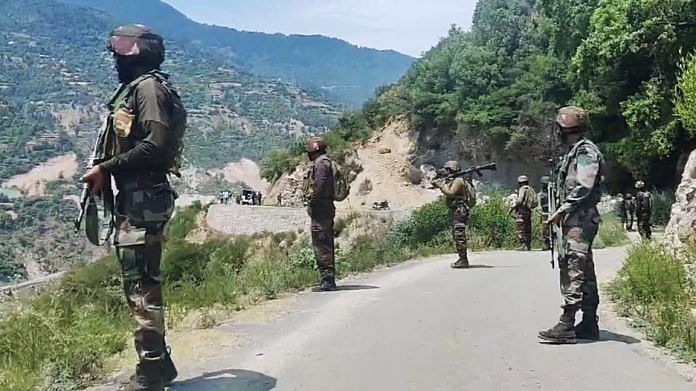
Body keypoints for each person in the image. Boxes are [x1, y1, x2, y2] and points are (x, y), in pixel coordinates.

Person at [81, 25, 185, 390]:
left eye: (124, 49)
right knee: (143, 283)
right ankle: (160, 364)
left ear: (143, 52)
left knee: (141, 287)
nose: (117, 57)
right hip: (138, 198)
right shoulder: (138, 88)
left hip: (143, 199)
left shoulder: (147, 89)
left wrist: (105, 168)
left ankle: (150, 372)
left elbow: (155, 145)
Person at [538, 106, 604, 344]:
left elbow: (584, 187)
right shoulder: (574, 152)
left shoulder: (586, 151)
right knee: (585, 270)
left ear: (565, 128)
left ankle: (567, 324)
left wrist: (561, 211)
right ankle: (588, 323)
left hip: (580, 218)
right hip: (577, 217)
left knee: (573, 266)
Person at [302, 137, 337, 291]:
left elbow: (320, 187)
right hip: (324, 208)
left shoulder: (321, 164)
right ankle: (326, 278)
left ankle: (328, 280)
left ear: (314, 150)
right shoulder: (324, 162)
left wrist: (312, 202)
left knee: (322, 243)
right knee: (323, 241)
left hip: (321, 209)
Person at [432, 161, 477, 268]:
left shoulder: (458, 181)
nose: (446, 172)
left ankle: (463, 260)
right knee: (458, 234)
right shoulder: (458, 180)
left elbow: (450, 193)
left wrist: (441, 184)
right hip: (460, 210)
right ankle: (462, 259)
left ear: (452, 170)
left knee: (459, 234)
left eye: (448, 170)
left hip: (460, 211)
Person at [512, 175, 537, 251]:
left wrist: (514, 206)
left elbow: (519, 200)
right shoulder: (530, 189)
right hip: (528, 210)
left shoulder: (522, 189)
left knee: (520, 227)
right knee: (527, 226)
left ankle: (523, 244)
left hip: (522, 210)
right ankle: (528, 245)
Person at [538, 176, 551, 251]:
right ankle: (545, 244)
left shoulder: (552, 192)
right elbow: (539, 202)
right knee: (544, 229)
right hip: (544, 212)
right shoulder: (541, 193)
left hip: (552, 211)